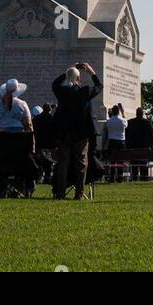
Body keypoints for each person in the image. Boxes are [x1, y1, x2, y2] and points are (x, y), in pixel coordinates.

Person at [52, 62, 102, 201]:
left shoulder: (61, 91)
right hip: (81, 133)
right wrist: (92, 72)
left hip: (64, 133)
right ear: (79, 79)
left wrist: (69, 71)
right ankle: (79, 193)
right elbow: (99, 87)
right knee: (81, 164)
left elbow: (55, 83)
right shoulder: (84, 91)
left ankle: (60, 193)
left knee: (63, 163)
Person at [0, 79, 34, 197]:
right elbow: (28, 125)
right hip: (19, 147)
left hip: (0, 144)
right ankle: (24, 186)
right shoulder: (22, 104)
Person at [125, 106, 153, 181]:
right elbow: (152, 137)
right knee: (144, 165)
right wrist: (152, 147)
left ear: (136, 113)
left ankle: (134, 178)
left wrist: (127, 147)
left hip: (133, 150)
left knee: (134, 165)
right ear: (142, 114)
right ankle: (144, 178)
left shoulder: (130, 123)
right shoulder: (147, 123)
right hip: (144, 150)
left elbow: (127, 136)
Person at [33, 103, 56, 183]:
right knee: (48, 162)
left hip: (38, 145)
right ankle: (47, 177)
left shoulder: (35, 120)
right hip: (49, 146)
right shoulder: (52, 119)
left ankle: (40, 177)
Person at [104, 104, 127, 181]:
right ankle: (120, 177)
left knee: (112, 160)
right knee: (120, 160)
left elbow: (105, 128)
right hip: (121, 142)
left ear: (112, 112)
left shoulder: (109, 121)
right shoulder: (122, 120)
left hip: (112, 141)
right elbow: (126, 124)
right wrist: (123, 112)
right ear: (118, 112)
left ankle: (112, 177)